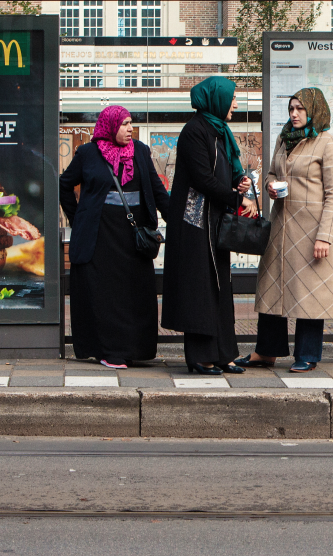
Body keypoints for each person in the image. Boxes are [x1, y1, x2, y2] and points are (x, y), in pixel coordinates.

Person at [239, 88, 333, 373]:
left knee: (310, 291)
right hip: (282, 226)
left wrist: (324, 236)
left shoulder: (327, 142)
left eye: (300, 108)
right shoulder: (284, 139)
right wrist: (270, 186)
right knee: (273, 289)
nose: (295, 114)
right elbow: (272, 173)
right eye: (291, 109)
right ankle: (266, 352)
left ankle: (308, 354)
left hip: (313, 229)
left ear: (314, 109)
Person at [60, 106, 170, 368]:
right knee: (105, 295)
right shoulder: (88, 153)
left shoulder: (141, 152)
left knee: (134, 293)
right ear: (109, 126)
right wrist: (79, 219)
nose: (129, 128)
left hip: (132, 237)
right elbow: (65, 184)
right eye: (123, 124)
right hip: (100, 236)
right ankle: (109, 351)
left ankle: (134, 349)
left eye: (131, 123)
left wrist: (177, 219)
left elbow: (156, 189)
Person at [161, 77, 256, 375]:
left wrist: (239, 183)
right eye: (232, 98)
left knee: (220, 288)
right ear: (217, 100)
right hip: (194, 223)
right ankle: (201, 357)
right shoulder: (194, 131)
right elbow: (202, 179)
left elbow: (223, 173)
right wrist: (236, 198)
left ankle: (223, 353)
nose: (236, 104)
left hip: (214, 221)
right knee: (200, 289)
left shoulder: (220, 132)